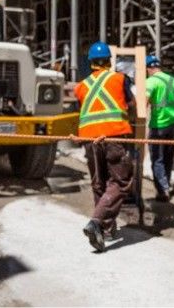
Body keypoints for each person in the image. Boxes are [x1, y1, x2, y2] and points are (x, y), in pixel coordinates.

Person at [75, 41, 135, 253]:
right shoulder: (119, 79)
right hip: (113, 136)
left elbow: (84, 110)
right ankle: (97, 222)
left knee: (99, 183)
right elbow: (131, 103)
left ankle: (105, 229)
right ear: (109, 61)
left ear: (90, 62)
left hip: (89, 139)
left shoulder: (81, 86)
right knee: (121, 182)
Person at [145, 55, 174, 201]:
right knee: (169, 157)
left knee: (157, 159)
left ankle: (163, 191)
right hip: (173, 125)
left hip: (158, 126)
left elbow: (145, 101)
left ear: (149, 68)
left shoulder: (150, 82)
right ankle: (166, 185)